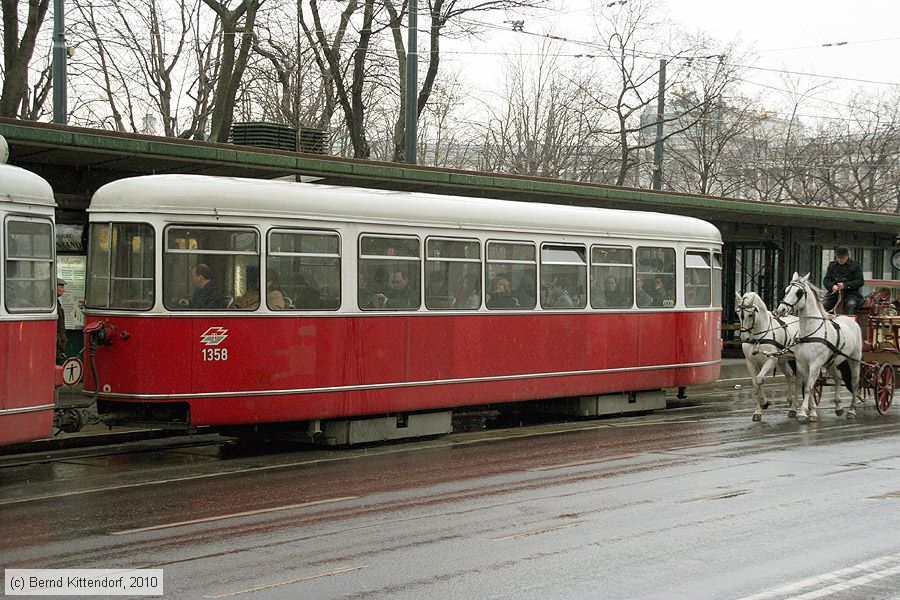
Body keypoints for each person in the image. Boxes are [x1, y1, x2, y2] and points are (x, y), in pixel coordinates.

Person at [822, 246, 864, 314]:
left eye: (843, 258)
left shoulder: (855, 266)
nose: (840, 260)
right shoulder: (832, 266)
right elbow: (826, 280)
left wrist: (845, 285)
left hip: (851, 294)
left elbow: (860, 281)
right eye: (838, 258)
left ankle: (849, 322)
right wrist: (832, 286)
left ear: (847, 257)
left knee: (850, 305)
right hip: (834, 294)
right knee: (823, 305)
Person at [56, 278, 67, 365]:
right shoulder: (54, 305)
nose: (64, 290)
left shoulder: (56, 303)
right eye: (61, 287)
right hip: (56, 344)